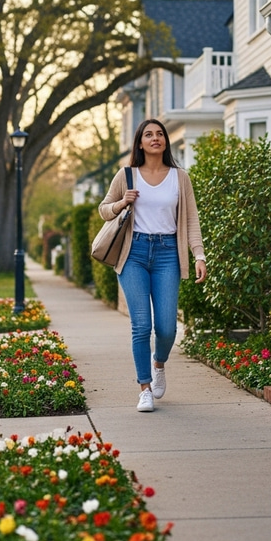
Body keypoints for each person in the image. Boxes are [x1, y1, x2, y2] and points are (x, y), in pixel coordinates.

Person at [98, 118, 207, 412]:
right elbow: (103, 210)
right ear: (140, 142)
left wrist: (199, 255)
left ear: (165, 142)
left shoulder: (179, 177)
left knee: (168, 328)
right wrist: (122, 202)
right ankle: (144, 388)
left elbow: (191, 220)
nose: (155, 138)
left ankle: (159, 363)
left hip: (168, 253)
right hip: (133, 254)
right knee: (141, 326)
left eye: (160, 134)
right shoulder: (127, 175)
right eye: (149, 134)